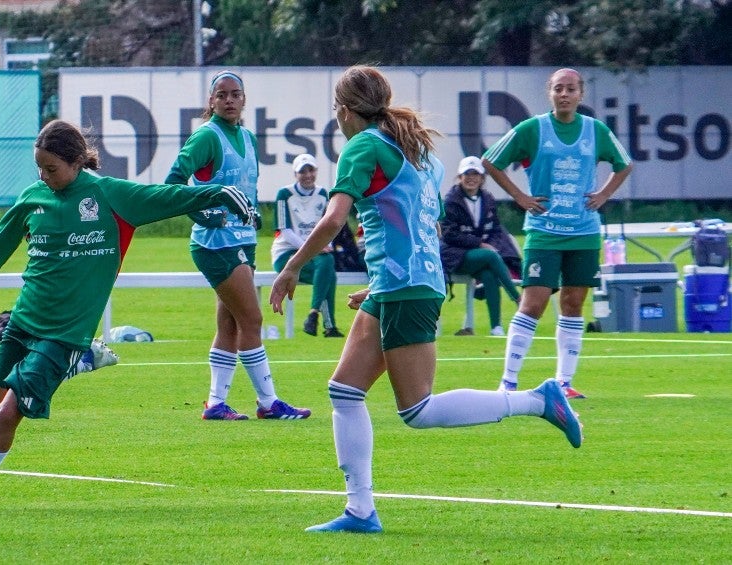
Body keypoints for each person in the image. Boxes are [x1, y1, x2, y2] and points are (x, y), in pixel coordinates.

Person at [269, 65, 583, 534]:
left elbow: (335, 219)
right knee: (344, 391)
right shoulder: (416, 151)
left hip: (407, 288)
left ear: (345, 110)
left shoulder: (364, 145)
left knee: (418, 410)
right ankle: (360, 512)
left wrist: (292, 266)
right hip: (403, 284)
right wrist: (379, 286)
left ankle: (538, 400)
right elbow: (419, 227)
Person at [0, 119, 258, 512]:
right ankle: (81, 362)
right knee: (0, 398)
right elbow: (2, 238)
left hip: (65, 332)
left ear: (77, 162)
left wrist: (217, 194)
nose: (44, 176)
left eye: (52, 169)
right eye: (39, 168)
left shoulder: (108, 195)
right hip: (24, 320)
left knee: (10, 413)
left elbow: (166, 196)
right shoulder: (33, 196)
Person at [165, 70, 310, 421]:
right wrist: (202, 215)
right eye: (221, 95)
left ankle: (216, 403)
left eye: (235, 94)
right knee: (252, 318)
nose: (229, 100)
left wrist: (252, 214)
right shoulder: (207, 137)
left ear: (244, 100)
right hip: (216, 243)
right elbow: (173, 182)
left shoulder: (247, 137)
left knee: (230, 324)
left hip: (242, 240)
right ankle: (268, 402)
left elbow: (246, 185)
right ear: (211, 101)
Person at [482, 68, 633, 400]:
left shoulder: (595, 131)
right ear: (549, 94)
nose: (564, 94)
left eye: (571, 89)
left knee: (573, 303)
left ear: (581, 95)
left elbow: (624, 164)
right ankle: (507, 382)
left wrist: (604, 194)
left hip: (583, 231)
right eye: (558, 89)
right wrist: (519, 197)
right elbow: (490, 161)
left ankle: (564, 382)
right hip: (544, 232)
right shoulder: (532, 129)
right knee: (532, 303)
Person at [440, 156, 522, 337]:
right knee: (491, 256)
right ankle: (517, 298)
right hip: (454, 257)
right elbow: (449, 234)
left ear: (482, 178)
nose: (471, 178)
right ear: (459, 177)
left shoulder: (487, 199)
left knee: (489, 273)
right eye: (467, 174)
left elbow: (495, 230)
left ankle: (496, 327)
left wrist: (487, 244)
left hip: (478, 256)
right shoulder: (451, 201)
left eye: (475, 174)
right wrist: (480, 244)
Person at [271, 153, 344, 338]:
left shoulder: (322, 194)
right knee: (328, 273)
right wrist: (312, 247)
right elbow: (284, 231)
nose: (307, 175)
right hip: (286, 253)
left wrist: (322, 245)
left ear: (316, 171)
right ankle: (328, 325)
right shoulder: (285, 194)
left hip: (314, 252)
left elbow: (328, 226)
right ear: (295, 174)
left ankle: (315, 318)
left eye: (311, 170)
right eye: (302, 171)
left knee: (327, 265)